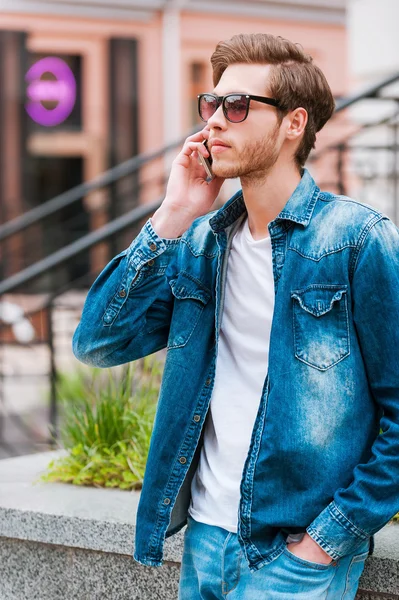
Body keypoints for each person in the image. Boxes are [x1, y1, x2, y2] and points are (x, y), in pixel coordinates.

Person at [72, 33, 399, 599]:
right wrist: (173, 212)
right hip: (204, 541)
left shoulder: (355, 240)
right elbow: (98, 341)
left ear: (294, 123)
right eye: (212, 104)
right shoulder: (200, 244)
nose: (216, 121)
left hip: (292, 555)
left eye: (239, 105)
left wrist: (326, 541)